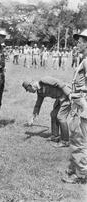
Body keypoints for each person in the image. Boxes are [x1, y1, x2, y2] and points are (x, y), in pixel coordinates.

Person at [62, 29, 87, 183]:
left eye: (80, 41)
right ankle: (74, 166)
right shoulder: (84, 59)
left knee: (79, 140)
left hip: (83, 104)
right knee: (76, 136)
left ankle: (81, 175)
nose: (77, 43)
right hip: (79, 102)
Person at [22, 76, 71, 147]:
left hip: (66, 95)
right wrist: (32, 117)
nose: (29, 92)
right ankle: (55, 136)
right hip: (60, 98)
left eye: (28, 89)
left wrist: (69, 94)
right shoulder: (39, 92)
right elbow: (38, 105)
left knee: (61, 117)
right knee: (53, 115)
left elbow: (59, 83)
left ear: (30, 85)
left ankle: (65, 141)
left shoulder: (44, 80)